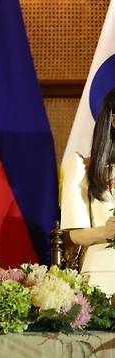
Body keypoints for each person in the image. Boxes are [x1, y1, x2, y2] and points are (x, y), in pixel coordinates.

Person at [61, 88, 115, 295]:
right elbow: (75, 235)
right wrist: (106, 232)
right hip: (103, 276)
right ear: (113, 121)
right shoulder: (84, 168)